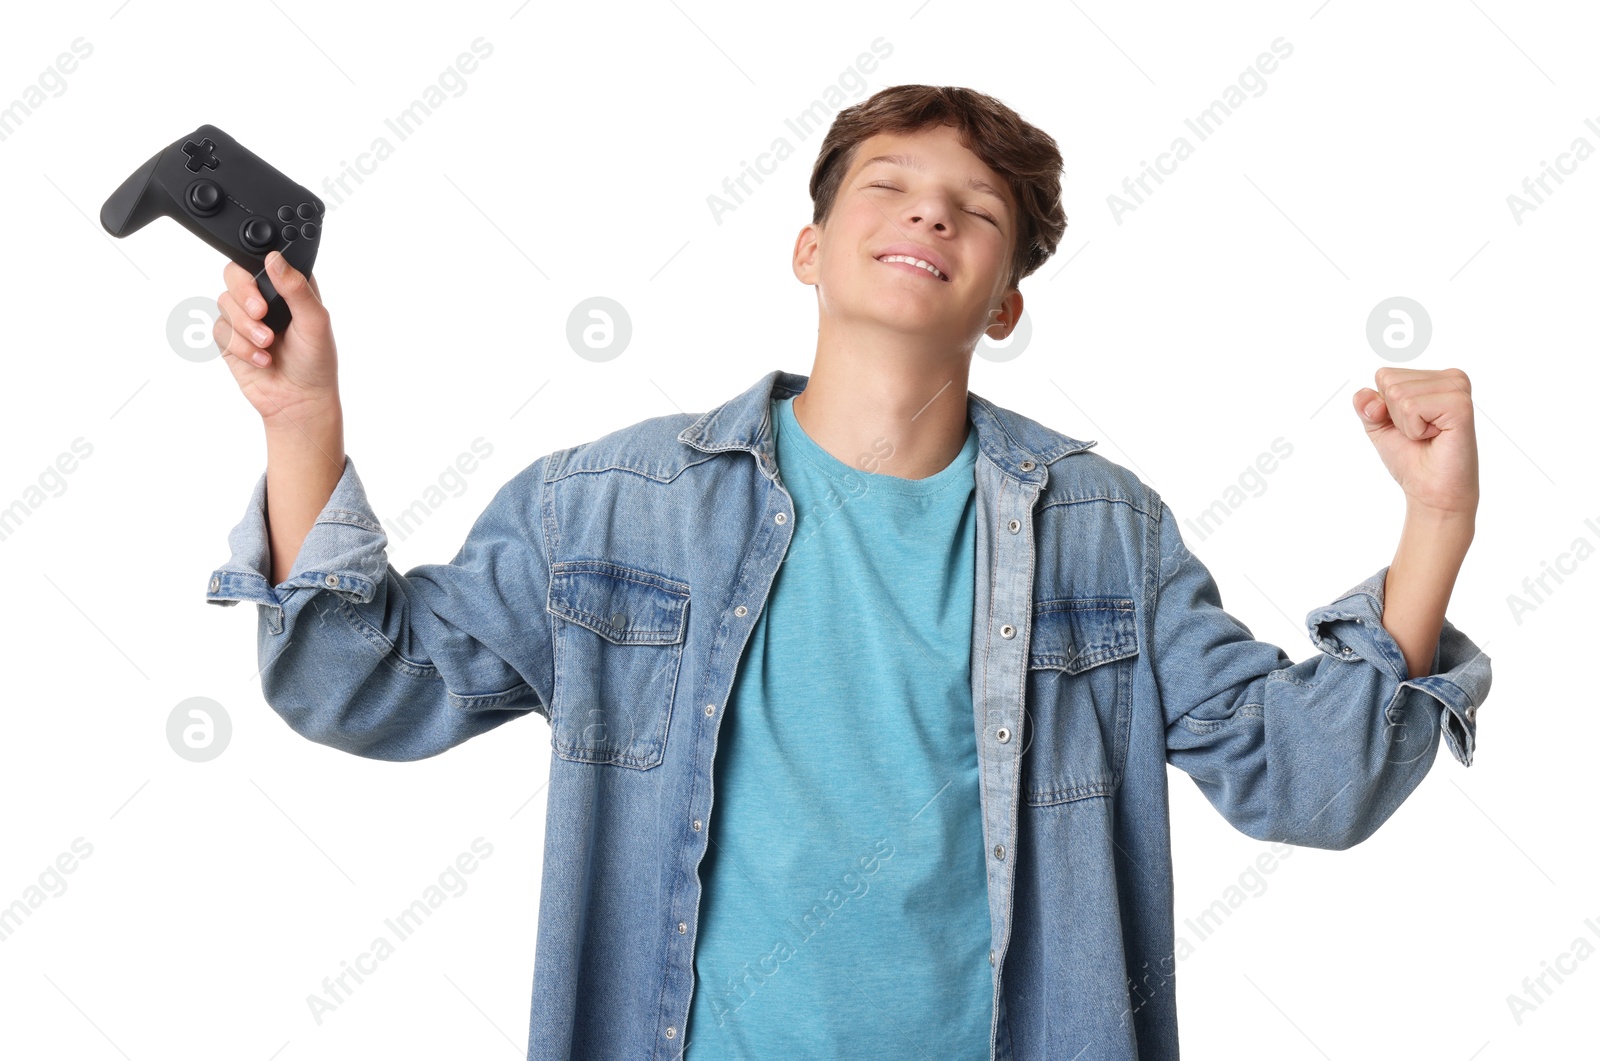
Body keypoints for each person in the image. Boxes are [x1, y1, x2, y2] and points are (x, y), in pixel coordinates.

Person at [205, 85, 1491, 1061]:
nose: (931, 211)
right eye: (888, 185)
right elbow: (354, 682)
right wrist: (300, 419)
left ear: (1003, 304)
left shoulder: (1104, 528)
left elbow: (1309, 783)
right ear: (810, 249)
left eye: (976, 209)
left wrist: (1435, 520)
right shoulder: (613, 505)